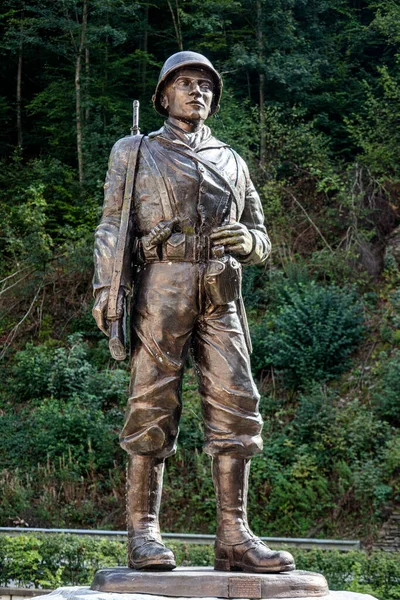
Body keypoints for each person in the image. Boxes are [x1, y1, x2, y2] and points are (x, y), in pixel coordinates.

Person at [92, 51, 295, 574]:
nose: (198, 91)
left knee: (237, 402)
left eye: (206, 85)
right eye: (186, 83)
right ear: (163, 95)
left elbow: (264, 237)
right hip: (162, 283)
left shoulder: (232, 159)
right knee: (152, 400)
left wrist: (249, 240)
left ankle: (234, 534)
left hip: (222, 288)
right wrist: (106, 287)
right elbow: (112, 225)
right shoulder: (135, 151)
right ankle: (143, 531)